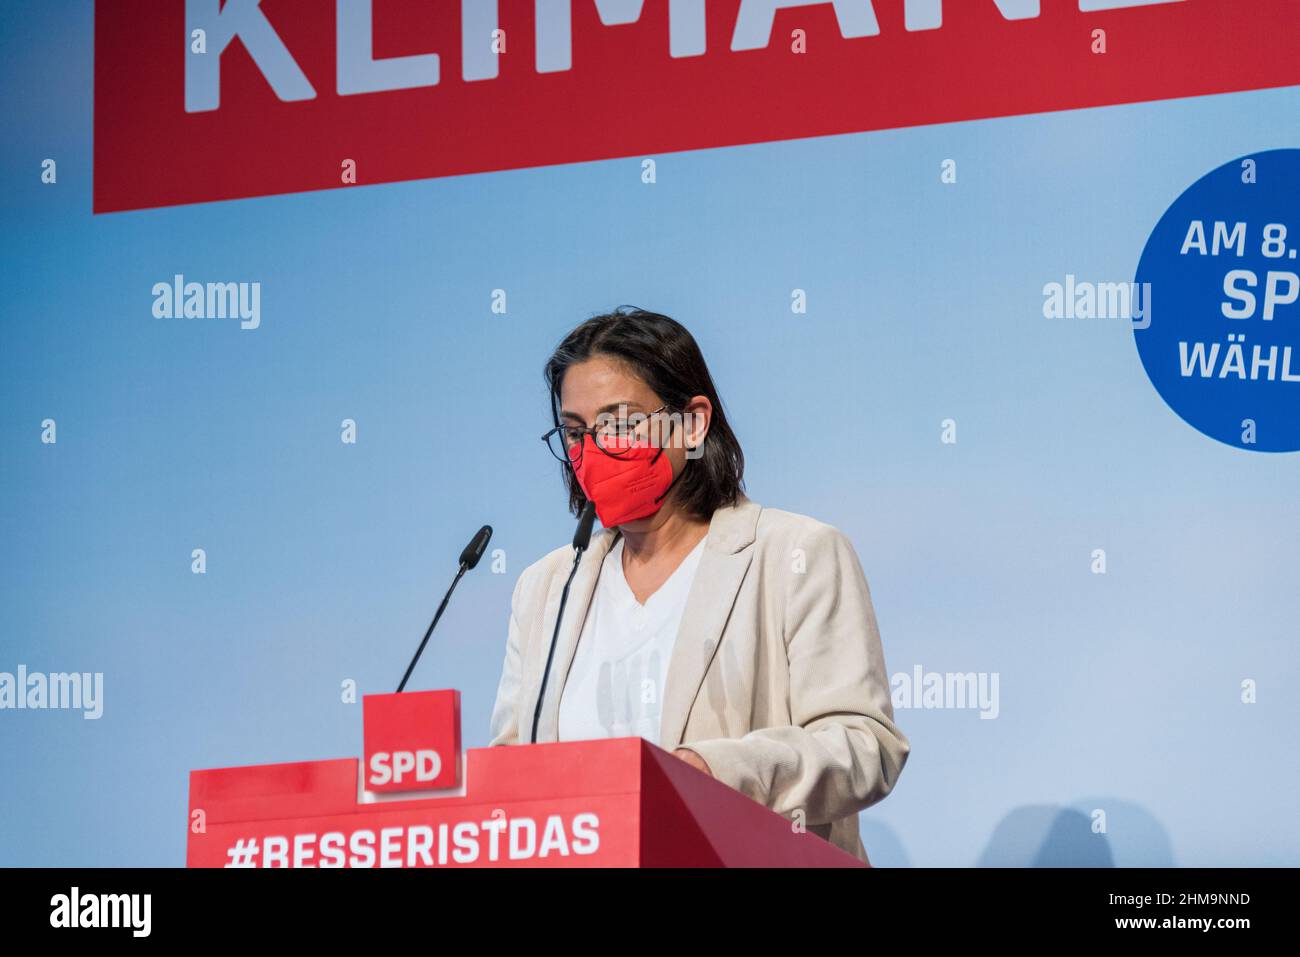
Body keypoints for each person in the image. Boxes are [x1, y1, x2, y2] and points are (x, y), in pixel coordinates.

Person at [488, 305, 909, 862]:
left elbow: (864, 745)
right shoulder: (546, 587)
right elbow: (512, 773)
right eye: (575, 432)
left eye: (619, 422)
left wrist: (712, 771)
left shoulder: (795, 555)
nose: (593, 450)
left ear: (692, 423)